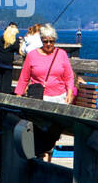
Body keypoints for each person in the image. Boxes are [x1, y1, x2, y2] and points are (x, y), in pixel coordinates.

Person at [14, 24, 82, 159]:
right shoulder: (32, 55)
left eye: (52, 41)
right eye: (46, 41)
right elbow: (24, 77)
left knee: (55, 129)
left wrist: (69, 92)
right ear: (41, 40)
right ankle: (38, 153)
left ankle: (43, 149)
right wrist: (18, 96)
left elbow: (69, 76)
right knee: (38, 127)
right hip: (39, 97)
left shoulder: (61, 54)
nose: (49, 44)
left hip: (59, 97)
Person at [0, 22, 21, 94]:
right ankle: (6, 93)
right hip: (8, 62)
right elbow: (16, 49)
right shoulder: (15, 40)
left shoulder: (1, 38)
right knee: (7, 79)